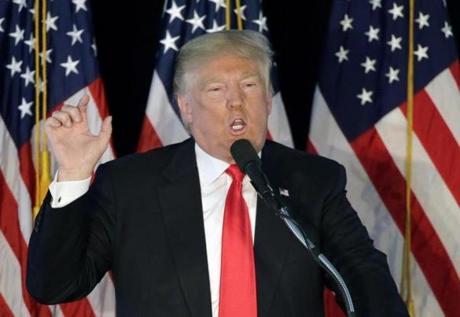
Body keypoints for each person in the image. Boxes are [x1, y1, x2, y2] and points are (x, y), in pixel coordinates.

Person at [27, 30, 408, 317]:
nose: (235, 101)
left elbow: (363, 278)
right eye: (215, 89)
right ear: (185, 107)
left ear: (267, 98)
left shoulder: (313, 181)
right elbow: (55, 285)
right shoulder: (129, 185)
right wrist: (75, 174)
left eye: (248, 84)